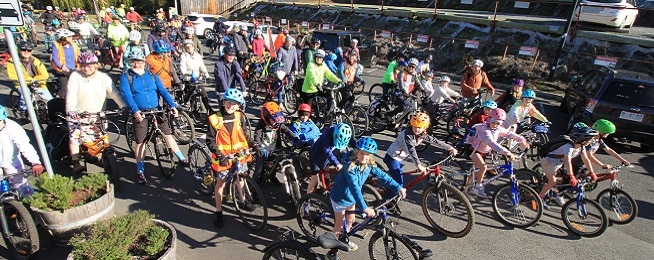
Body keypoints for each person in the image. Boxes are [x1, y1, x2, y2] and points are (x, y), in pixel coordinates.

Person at [118, 50, 188, 184]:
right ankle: (140, 170)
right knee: (141, 142)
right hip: (141, 112)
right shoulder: (126, 77)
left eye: (139, 61)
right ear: (130, 62)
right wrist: (135, 111)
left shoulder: (152, 75)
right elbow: (127, 95)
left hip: (157, 110)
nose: (137, 64)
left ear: (144, 62)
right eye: (134, 61)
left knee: (168, 135)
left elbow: (162, 91)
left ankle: (181, 158)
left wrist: (172, 105)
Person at [329, 136, 406, 251]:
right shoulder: (350, 167)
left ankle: (344, 239)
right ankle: (331, 251)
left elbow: (383, 176)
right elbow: (354, 188)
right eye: (361, 153)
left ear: (371, 155)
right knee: (339, 225)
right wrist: (364, 208)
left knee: (351, 220)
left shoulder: (369, 164)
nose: (364, 157)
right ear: (357, 152)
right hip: (341, 197)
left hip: (351, 198)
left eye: (367, 154)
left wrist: (398, 188)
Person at [66, 52, 126, 174]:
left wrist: (123, 106)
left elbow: (114, 93)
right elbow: (71, 95)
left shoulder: (103, 78)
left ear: (96, 65)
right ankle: (76, 161)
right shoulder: (75, 77)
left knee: (101, 136)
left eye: (89, 65)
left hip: (98, 114)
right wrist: (71, 110)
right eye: (82, 65)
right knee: (75, 135)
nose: (86, 68)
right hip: (79, 114)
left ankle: (100, 157)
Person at [205, 88, 256, 228]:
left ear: (239, 106)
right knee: (220, 184)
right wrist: (220, 156)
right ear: (224, 102)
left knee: (241, 178)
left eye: (234, 104)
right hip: (223, 159)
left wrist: (253, 143)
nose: (230, 106)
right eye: (228, 102)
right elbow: (210, 141)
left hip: (239, 155)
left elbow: (244, 134)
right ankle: (219, 212)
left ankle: (243, 200)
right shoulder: (214, 118)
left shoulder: (239, 116)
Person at [466, 108, 528, 199]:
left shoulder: (498, 128)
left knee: (477, 170)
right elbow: (492, 143)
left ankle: (467, 186)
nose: (495, 125)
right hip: (474, 150)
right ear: (489, 120)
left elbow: (509, 133)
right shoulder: (485, 131)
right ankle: (477, 186)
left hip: (483, 152)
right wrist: (508, 153)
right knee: (483, 167)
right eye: (493, 122)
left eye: (498, 123)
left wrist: (521, 139)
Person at [384, 112, 457, 187]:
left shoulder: (421, 134)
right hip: (392, 157)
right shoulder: (408, 134)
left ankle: (388, 183)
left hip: (399, 157)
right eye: (414, 126)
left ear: (425, 127)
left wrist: (450, 147)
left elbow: (434, 141)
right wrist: (418, 165)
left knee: (397, 176)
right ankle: (389, 197)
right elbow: (411, 150)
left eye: (419, 127)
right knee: (398, 186)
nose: (416, 129)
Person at [538, 126, 598, 209]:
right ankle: (540, 199)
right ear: (583, 140)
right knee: (553, 181)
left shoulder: (581, 147)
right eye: (590, 139)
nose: (591, 141)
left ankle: (552, 190)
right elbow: (568, 161)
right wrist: (571, 176)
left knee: (562, 179)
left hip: (558, 163)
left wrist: (592, 172)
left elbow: (586, 159)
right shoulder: (568, 147)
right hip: (548, 162)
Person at [0, 105, 45, 198]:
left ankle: (29, 207)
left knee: (22, 187)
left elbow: (25, 146)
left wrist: (35, 162)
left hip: (11, 161)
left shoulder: (13, 128)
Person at [252, 101, 300, 184]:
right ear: (267, 117)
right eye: (273, 120)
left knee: (276, 164)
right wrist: (259, 147)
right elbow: (257, 137)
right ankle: (253, 187)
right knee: (259, 169)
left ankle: (272, 177)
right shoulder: (260, 125)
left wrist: (296, 138)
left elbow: (287, 131)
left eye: (277, 121)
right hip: (262, 150)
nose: (276, 123)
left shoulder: (278, 124)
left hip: (274, 148)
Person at [306, 123, 354, 194]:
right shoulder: (327, 135)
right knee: (314, 178)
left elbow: (352, 141)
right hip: (316, 155)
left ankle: (326, 186)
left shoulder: (344, 134)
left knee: (327, 171)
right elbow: (327, 151)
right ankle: (306, 199)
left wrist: (360, 149)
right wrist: (337, 164)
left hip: (326, 156)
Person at [7, 41, 53, 111]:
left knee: (49, 99)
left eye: (29, 50)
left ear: (32, 51)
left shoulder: (36, 61)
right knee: (26, 95)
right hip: (21, 83)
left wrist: (35, 79)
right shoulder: (12, 61)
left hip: (37, 82)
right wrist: (26, 80)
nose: (26, 52)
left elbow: (45, 74)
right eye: (23, 50)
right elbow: (12, 75)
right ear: (18, 50)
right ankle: (23, 110)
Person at [385, 57, 422, 124]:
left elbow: (417, 83)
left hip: (408, 94)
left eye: (413, 67)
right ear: (407, 66)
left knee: (407, 111)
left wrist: (423, 90)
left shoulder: (414, 74)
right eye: (410, 66)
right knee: (403, 108)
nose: (411, 68)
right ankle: (389, 114)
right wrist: (403, 91)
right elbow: (401, 85)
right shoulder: (402, 73)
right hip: (399, 94)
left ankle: (399, 125)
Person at [51, 28, 80, 98]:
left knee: (77, 87)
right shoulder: (56, 45)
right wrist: (62, 67)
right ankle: (57, 101)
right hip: (61, 70)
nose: (71, 38)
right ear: (64, 38)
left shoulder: (73, 45)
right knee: (65, 88)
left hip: (73, 69)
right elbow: (55, 58)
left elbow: (79, 55)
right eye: (69, 37)